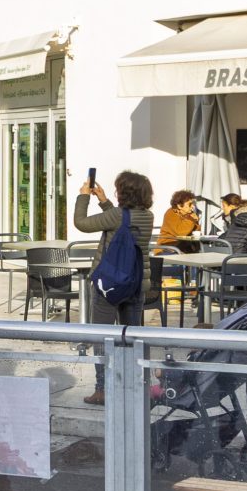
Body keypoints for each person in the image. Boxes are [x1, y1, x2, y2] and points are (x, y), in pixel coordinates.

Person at [75, 171, 156, 405]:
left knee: (101, 336)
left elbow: (82, 224)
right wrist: (103, 201)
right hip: (136, 283)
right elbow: (120, 221)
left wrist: (84, 197)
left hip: (109, 285)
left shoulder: (117, 215)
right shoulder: (147, 216)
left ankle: (102, 389)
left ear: (124, 192)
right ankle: (136, 387)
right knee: (133, 337)